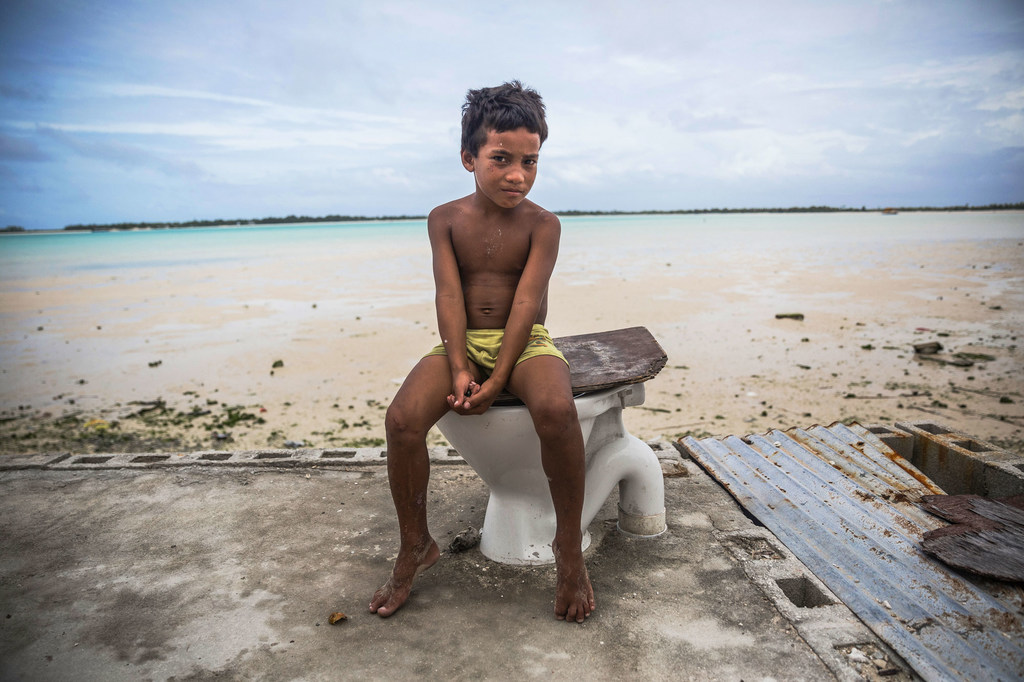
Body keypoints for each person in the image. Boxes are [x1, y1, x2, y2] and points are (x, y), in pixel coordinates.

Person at [369, 81, 594, 623]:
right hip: (461, 337)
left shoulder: (544, 225)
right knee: (400, 420)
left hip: (526, 342)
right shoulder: (444, 218)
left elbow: (526, 303)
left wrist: (497, 381)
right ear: (469, 157)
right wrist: (462, 364)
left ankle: (567, 550)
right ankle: (414, 545)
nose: (517, 174)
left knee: (557, 411)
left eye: (530, 161)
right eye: (501, 159)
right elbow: (447, 294)